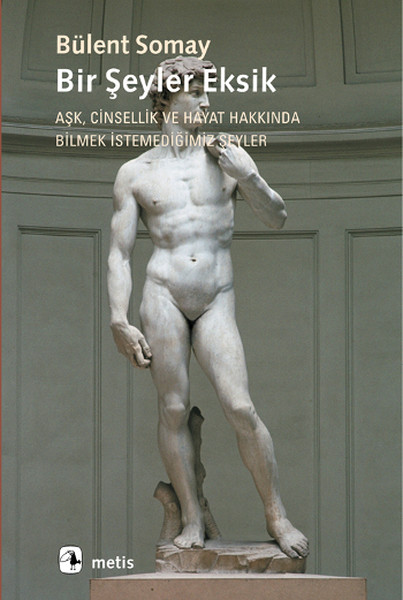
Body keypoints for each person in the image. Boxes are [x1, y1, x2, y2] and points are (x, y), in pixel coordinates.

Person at [107, 56, 309, 559]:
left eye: (206, 91)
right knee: (173, 408)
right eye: (196, 92)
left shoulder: (227, 158)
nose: (206, 100)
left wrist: (250, 176)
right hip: (163, 294)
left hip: (216, 296)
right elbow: (119, 253)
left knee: (240, 407)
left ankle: (276, 514)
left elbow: (277, 217)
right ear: (166, 99)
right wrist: (117, 318)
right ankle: (192, 517)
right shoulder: (135, 173)